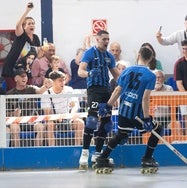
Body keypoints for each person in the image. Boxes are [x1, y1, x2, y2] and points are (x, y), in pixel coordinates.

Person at [95, 46, 163, 173]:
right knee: (157, 129)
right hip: (138, 114)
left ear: (138, 55)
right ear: (151, 58)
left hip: (124, 110)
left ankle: (102, 158)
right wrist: (147, 118)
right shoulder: (150, 76)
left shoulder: (126, 71)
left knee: (121, 134)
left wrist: (108, 106)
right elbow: (145, 98)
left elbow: (117, 90)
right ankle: (147, 158)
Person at [77, 30, 119, 170]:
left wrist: (126, 84)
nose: (106, 42)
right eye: (104, 39)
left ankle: (98, 153)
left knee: (107, 123)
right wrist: (89, 73)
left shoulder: (109, 56)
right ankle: (84, 153)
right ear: (97, 39)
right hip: (94, 90)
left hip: (106, 90)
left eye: (108, 39)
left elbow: (116, 75)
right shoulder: (89, 53)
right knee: (92, 120)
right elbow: (80, 71)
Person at [6, 66, 52, 147]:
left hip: (32, 121)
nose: (25, 78)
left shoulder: (31, 88)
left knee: (41, 127)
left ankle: (37, 153)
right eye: (22, 76)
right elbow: (6, 114)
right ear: (16, 78)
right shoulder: (10, 94)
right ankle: (18, 154)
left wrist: (46, 86)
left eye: (26, 76)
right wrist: (14, 114)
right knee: (14, 128)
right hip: (17, 122)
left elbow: (40, 91)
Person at [2, 2, 41, 91]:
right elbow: (17, 25)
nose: (32, 25)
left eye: (33, 23)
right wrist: (27, 11)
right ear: (24, 27)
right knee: (14, 93)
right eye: (29, 23)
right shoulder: (21, 35)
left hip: (26, 70)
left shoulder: (36, 38)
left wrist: (44, 50)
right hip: (12, 69)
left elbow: (38, 55)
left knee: (29, 93)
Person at [41, 71, 84, 146]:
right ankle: (52, 149)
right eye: (60, 81)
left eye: (64, 80)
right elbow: (47, 113)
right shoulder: (46, 94)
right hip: (54, 120)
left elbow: (75, 105)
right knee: (50, 124)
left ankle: (78, 149)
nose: (63, 82)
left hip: (69, 119)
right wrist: (56, 118)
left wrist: (71, 116)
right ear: (53, 82)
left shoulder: (69, 90)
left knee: (80, 123)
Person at [152, 70, 181, 136]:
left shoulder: (169, 88)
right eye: (155, 77)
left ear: (164, 79)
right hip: (154, 119)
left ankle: (178, 144)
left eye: (159, 77)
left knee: (177, 124)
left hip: (168, 118)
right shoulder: (148, 89)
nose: (157, 79)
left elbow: (174, 105)